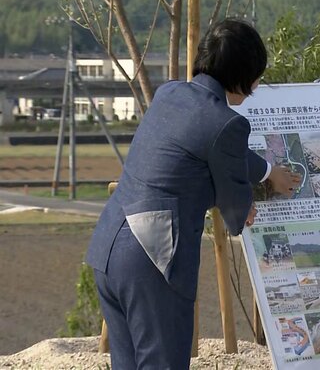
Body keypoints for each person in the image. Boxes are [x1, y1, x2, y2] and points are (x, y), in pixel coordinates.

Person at [85, 19, 301, 369]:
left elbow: (220, 151)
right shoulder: (228, 123)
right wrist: (243, 203)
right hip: (152, 257)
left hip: (109, 246)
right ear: (244, 76)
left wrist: (267, 172)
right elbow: (234, 209)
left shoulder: (171, 93)